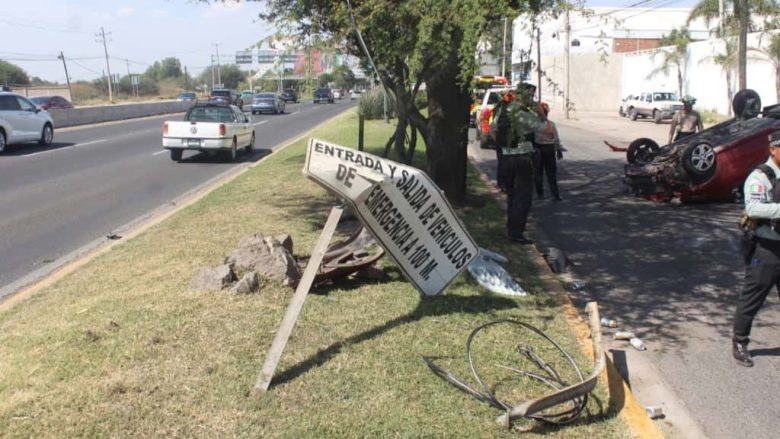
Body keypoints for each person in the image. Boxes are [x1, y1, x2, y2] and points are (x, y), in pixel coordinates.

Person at [732, 130, 780, 367]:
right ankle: (740, 342)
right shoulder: (759, 177)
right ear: (773, 149)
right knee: (752, 298)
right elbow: (753, 209)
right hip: (766, 248)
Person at [491, 83, 539, 244]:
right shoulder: (523, 112)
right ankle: (516, 232)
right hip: (522, 159)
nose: (531, 99)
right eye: (531, 96)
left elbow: (493, 131)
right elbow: (542, 127)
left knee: (512, 196)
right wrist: (537, 111)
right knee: (522, 197)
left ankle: (512, 229)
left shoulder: (503, 109)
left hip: (506, 158)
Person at [533, 102, 563, 201]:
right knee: (551, 174)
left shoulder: (534, 124)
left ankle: (540, 194)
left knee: (538, 173)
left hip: (538, 150)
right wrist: (558, 150)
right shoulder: (551, 124)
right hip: (549, 150)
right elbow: (556, 138)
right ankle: (555, 195)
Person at [491, 89, 515, 191]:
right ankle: (506, 184)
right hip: (508, 139)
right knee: (508, 162)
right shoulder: (513, 109)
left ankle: (502, 184)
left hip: (501, 138)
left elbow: (493, 127)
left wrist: (496, 139)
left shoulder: (498, 108)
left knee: (502, 162)